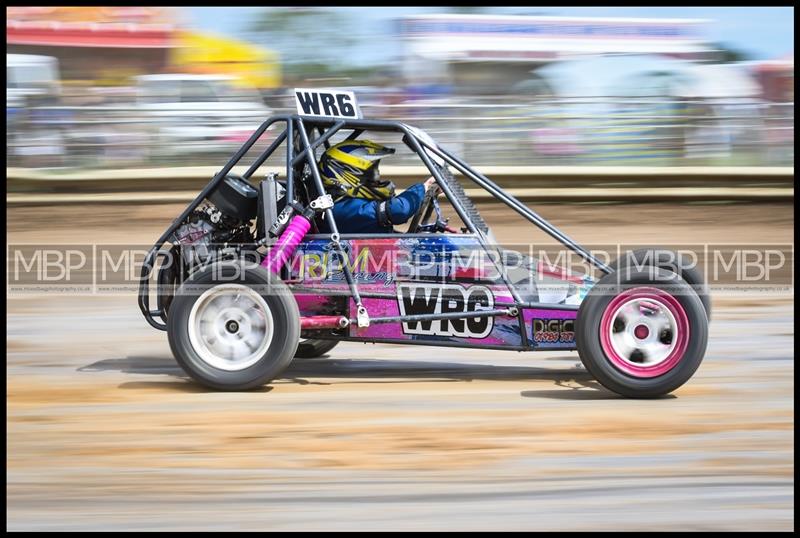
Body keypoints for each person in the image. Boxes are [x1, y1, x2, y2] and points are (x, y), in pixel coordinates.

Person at [318, 139, 437, 234]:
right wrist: (423, 188)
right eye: (372, 174)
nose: (377, 178)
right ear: (349, 176)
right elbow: (398, 210)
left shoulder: (348, 206)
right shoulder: (341, 210)